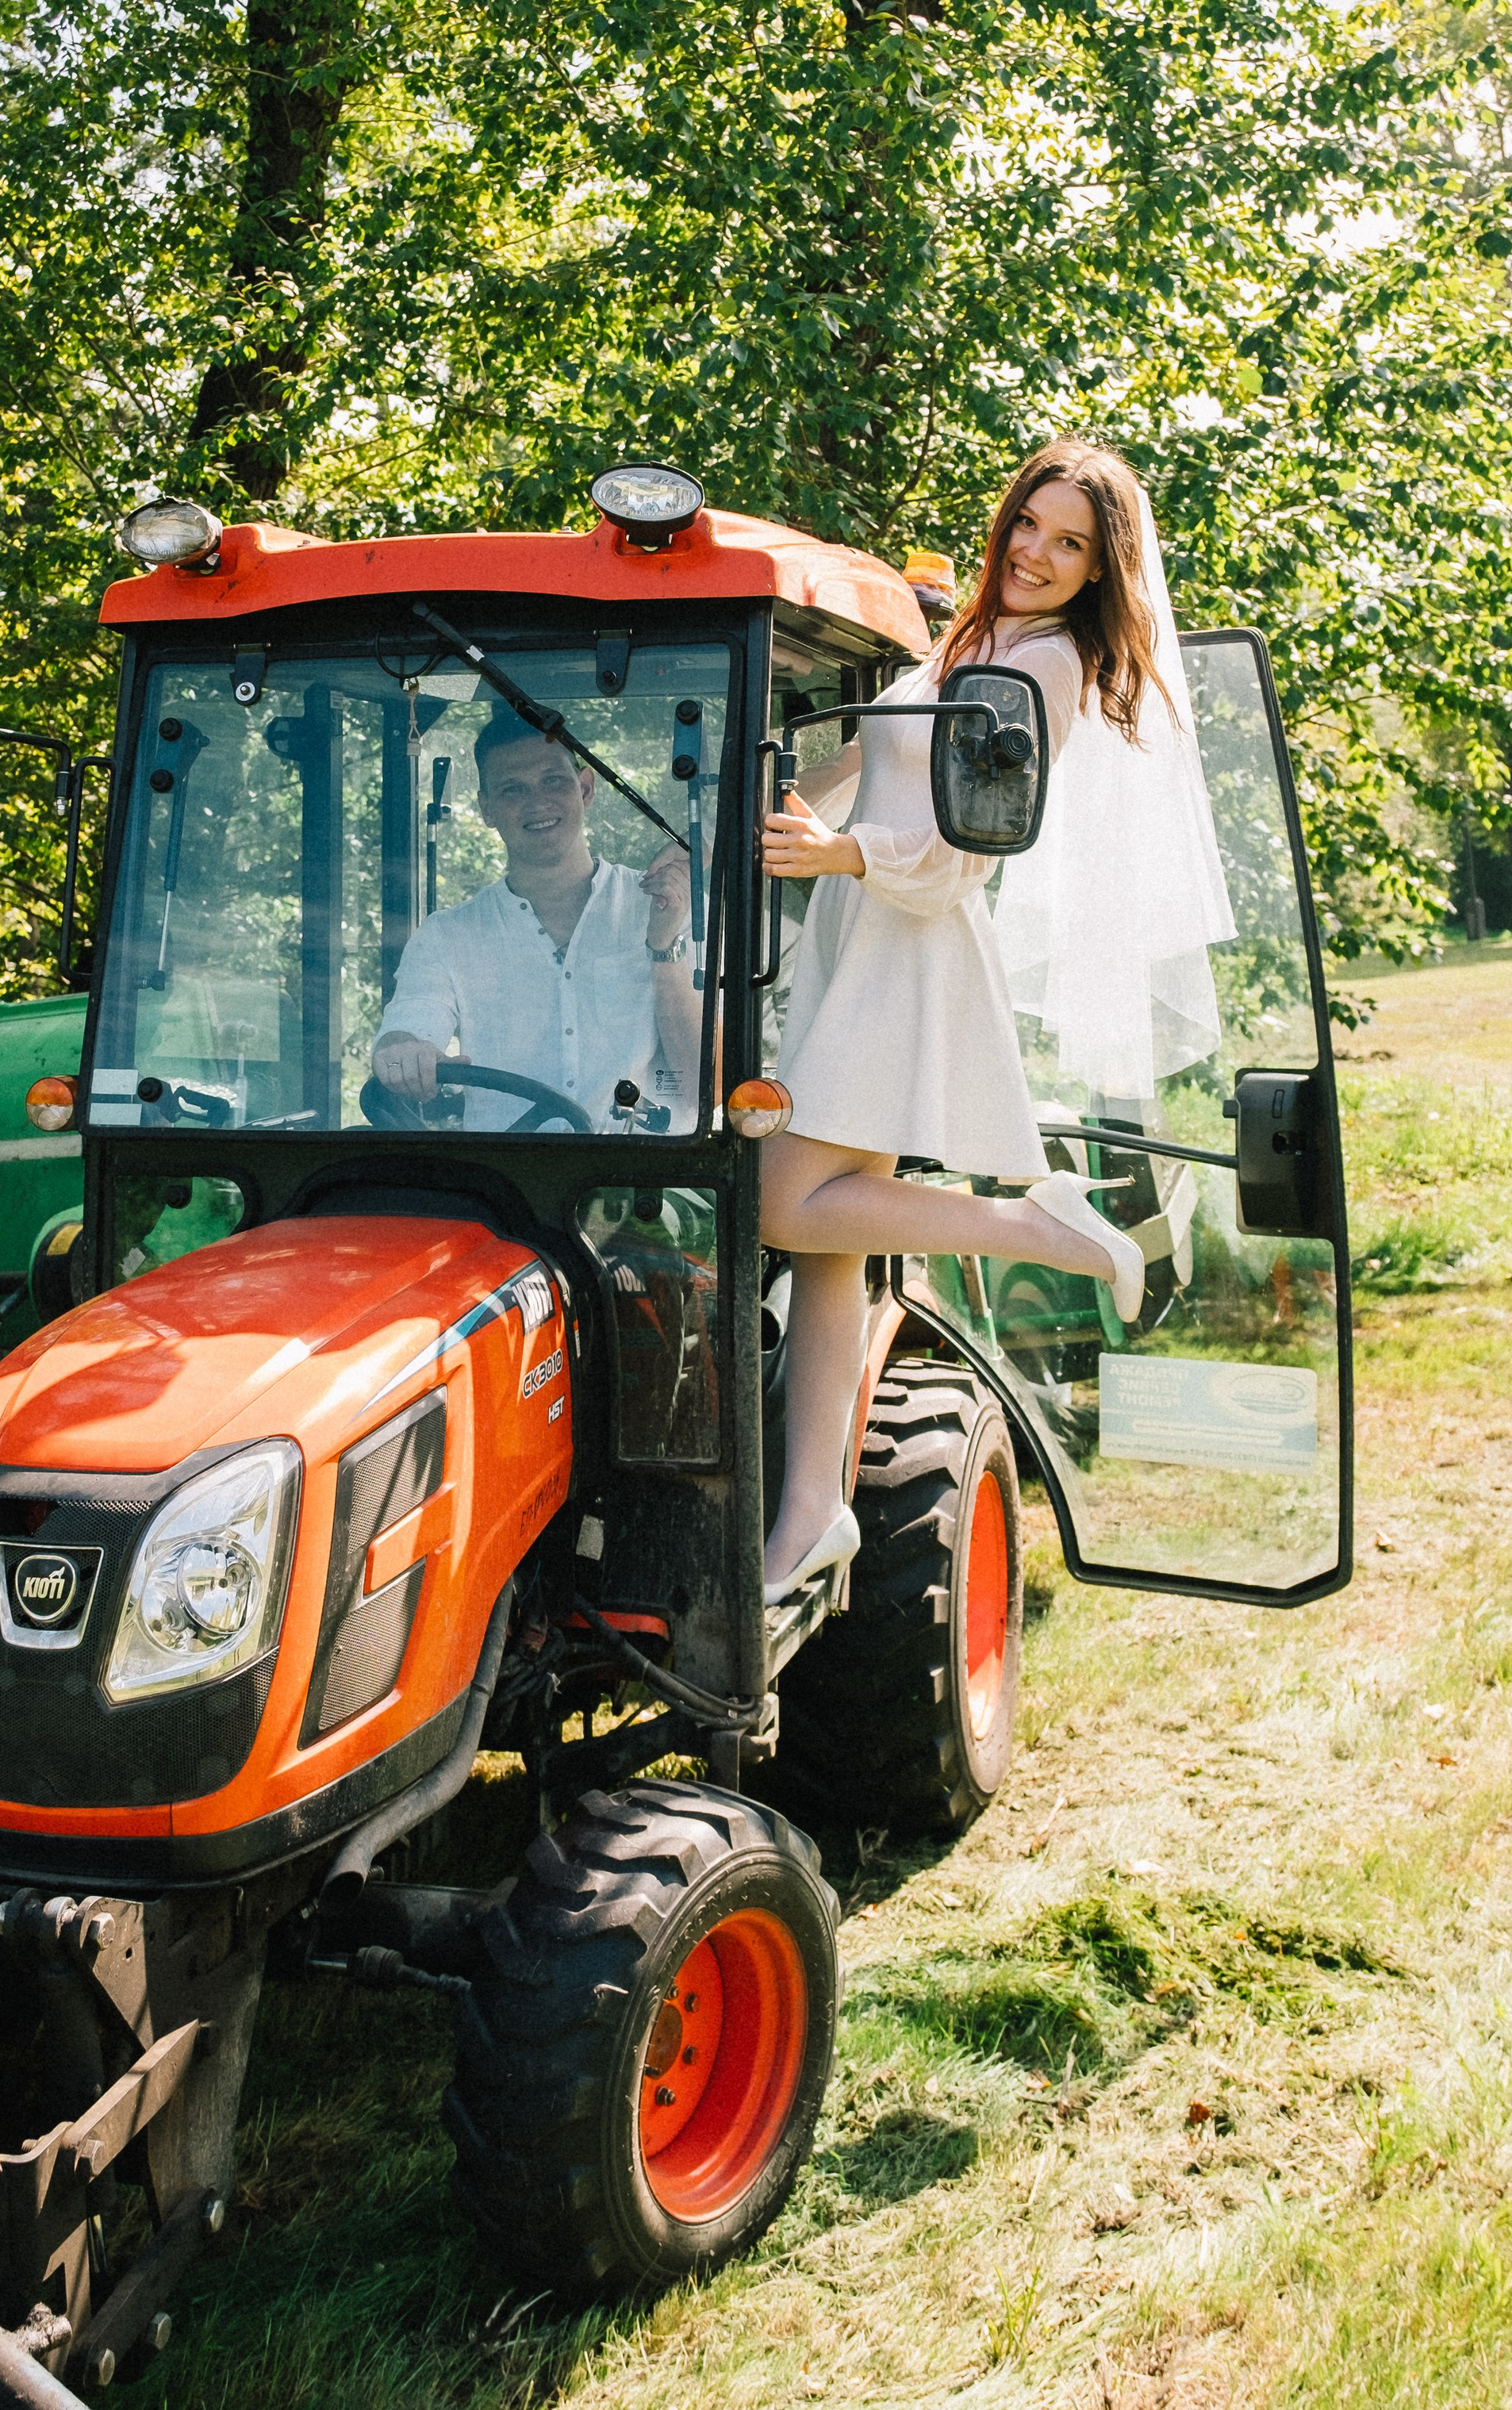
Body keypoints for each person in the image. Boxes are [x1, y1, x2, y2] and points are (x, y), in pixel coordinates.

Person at [757, 437, 1233, 1601]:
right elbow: (872, 758)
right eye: (1030, 522)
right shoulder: (972, 640)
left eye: (1071, 544)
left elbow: (967, 852)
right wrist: (763, 820)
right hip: (862, 931)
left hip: (907, 945)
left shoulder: (1049, 666)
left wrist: (839, 854)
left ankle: (1037, 1223)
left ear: (1099, 571)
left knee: (783, 1202)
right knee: (829, 1245)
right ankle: (813, 1510)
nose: (1037, 553)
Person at [372, 707, 700, 1130]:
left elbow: (705, 1087)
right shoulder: (447, 936)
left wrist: (663, 949)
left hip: (648, 1167)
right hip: (501, 1169)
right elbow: (407, 1029)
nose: (538, 802)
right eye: (513, 789)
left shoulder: (670, 906)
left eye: (553, 781)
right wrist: (404, 1052)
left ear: (585, 789)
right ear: (487, 809)